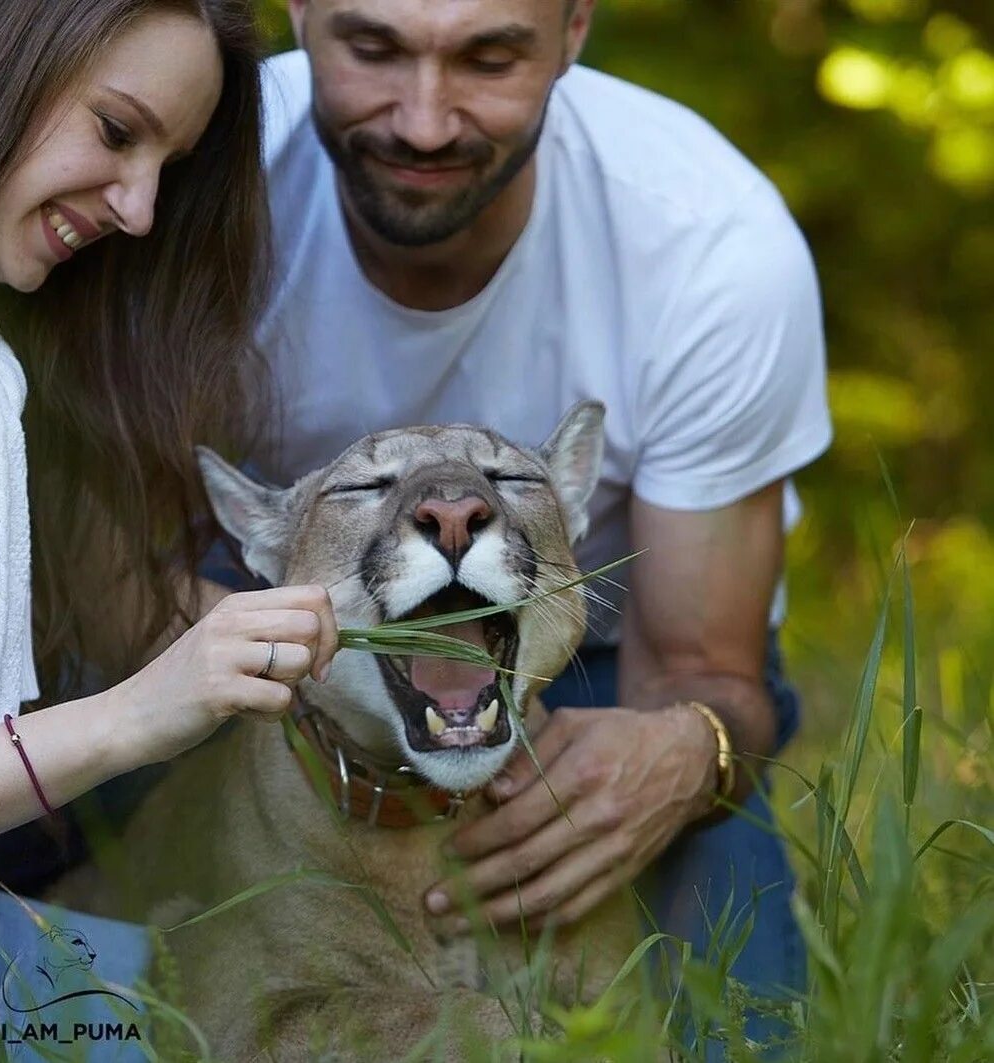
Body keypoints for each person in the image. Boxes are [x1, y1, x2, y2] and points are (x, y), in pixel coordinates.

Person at [247, 0, 832, 1050]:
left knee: (734, 1032)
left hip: (595, 639)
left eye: (489, 56)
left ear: (573, 29)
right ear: (297, 17)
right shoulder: (196, 174)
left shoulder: (710, 241)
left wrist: (685, 752)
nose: (423, 123)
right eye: (372, 47)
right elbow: (108, 558)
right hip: (262, 615)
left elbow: (706, 668)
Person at [0, 1, 338, 1058]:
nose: (142, 209)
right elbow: (155, 677)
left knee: (298, 1014)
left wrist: (384, 656)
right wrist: (126, 720)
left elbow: (140, 609)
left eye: (169, 161)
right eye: (116, 131)